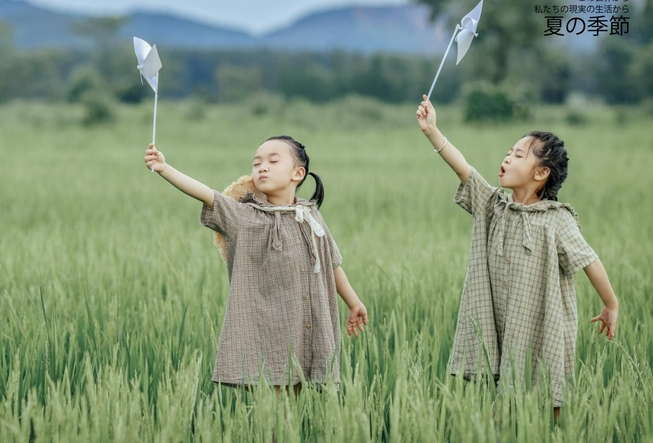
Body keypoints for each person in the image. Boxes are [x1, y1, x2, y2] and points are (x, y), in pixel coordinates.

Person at [416, 95, 618, 420]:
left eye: (518, 155)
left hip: (543, 322)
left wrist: (611, 304)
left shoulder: (556, 218)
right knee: (503, 406)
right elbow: (464, 169)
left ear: (540, 174)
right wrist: (432, 132)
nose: (507, 158)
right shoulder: (495, 206)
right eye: (508, 152)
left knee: (548, 398)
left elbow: (588, 260)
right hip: (503, 322)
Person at [144, 136, 367, 390]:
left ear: (298, 173)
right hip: (268, 330)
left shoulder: (310, 215)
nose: (262, 167)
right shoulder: (244, 217)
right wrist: (164, 168)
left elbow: (330, 262)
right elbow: (207, 195)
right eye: (257, 163)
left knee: (294, 399)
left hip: (306, 325)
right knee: (276, 406)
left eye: (273, 161)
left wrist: (354, 302)